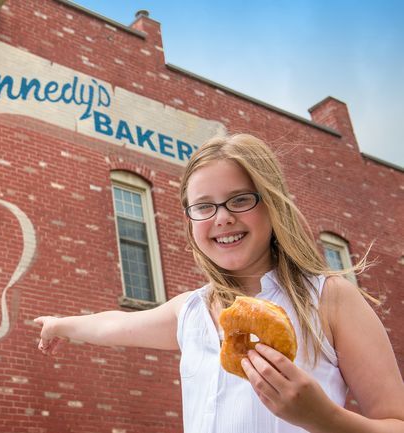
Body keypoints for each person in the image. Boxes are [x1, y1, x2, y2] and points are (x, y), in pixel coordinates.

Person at [35, 134, 404, 432]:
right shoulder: (191, 310)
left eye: (239, 200)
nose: (222, 217)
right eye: (204, 206)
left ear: (272, 203)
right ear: (191, 220)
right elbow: (115, 323)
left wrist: (325, 419)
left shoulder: (330, 298)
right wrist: (59, 325)